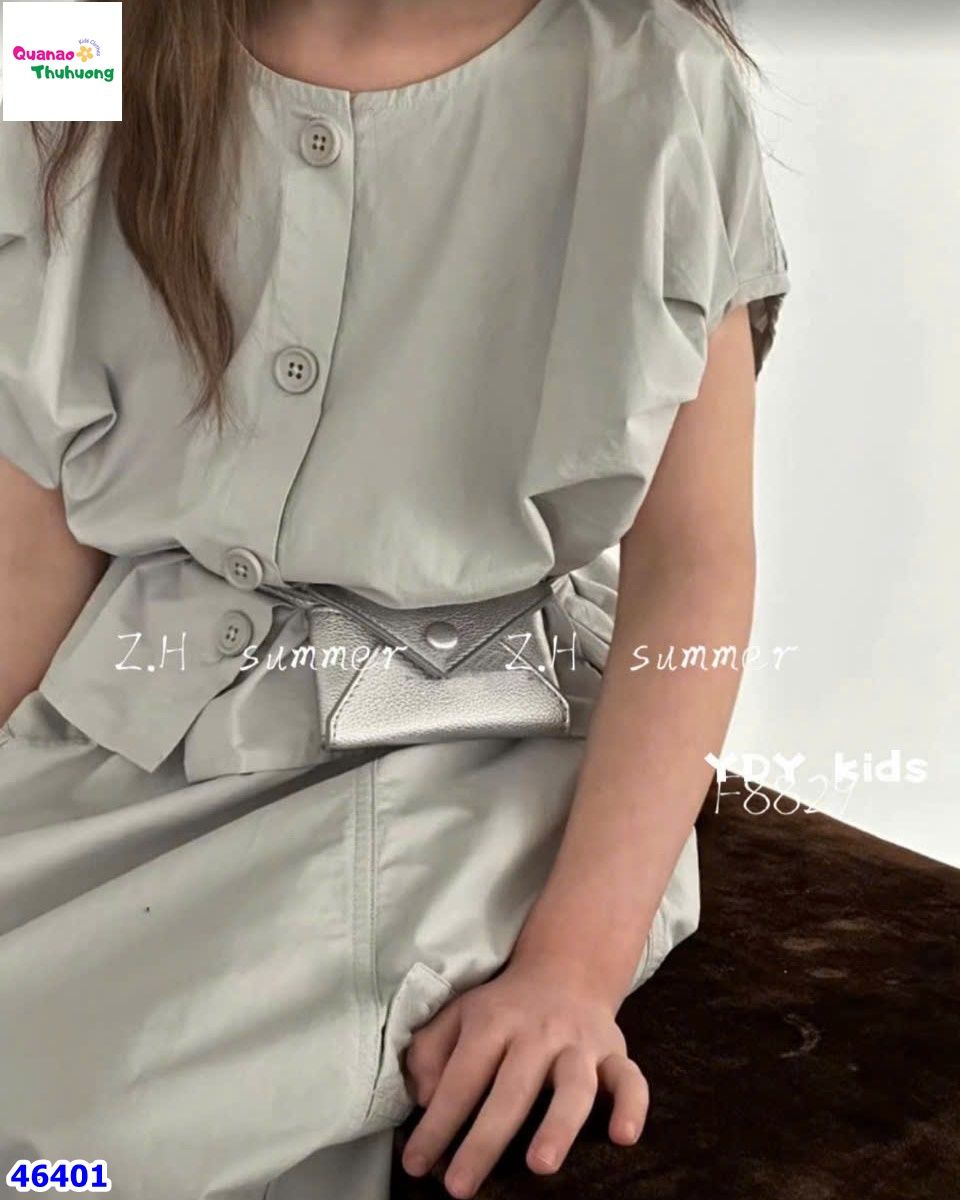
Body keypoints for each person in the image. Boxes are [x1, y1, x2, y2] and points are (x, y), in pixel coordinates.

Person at [0, 0, 790, 1197]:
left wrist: (574, 968)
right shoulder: (69, 43)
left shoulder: (657, 81)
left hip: (452, 760)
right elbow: (34, 531)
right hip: (118, 726)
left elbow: (695, 569)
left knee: (80, 1153)